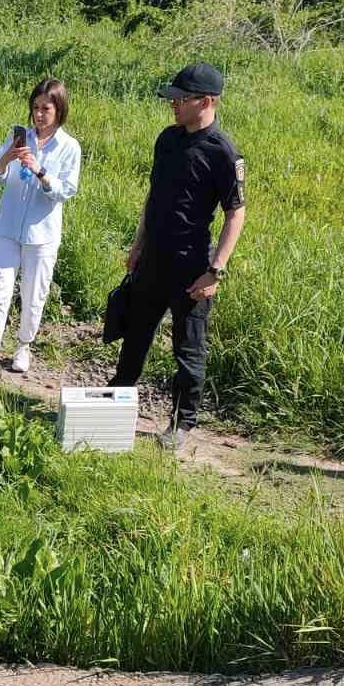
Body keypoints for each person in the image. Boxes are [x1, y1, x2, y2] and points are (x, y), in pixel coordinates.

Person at [108, 62, 246, 452]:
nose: (174, 104)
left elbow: (236, 214)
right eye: (173, 98)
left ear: (207, 101)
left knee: (189, 348)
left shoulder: (223, 152)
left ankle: (182, 422)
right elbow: (153, 196)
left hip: (192, 266)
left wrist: (215, 270)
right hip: (153, 258)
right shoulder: (167, 139)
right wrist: (138, 244)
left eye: (182, 99)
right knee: (135, 336)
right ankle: (116, 404)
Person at [0, 78, 82, 380]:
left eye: (46, 109)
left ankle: (23, 345)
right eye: (35, 107)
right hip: (7, 227)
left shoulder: (69, 147)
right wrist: (8, 157)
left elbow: (67, 190)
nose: (39, 114)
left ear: (59, 110)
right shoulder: (19, 136)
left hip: (42, 234)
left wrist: (40, 172)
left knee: (34, 293)